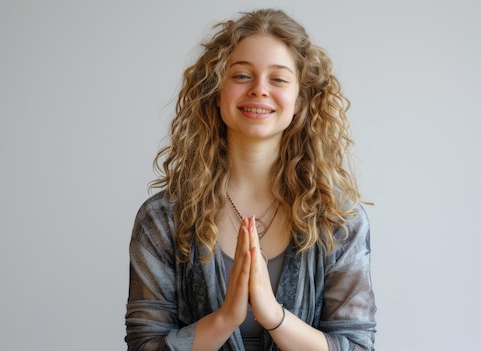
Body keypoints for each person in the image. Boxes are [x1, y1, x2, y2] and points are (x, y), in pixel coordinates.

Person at [125, 8, 377, 351]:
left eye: (278, 78)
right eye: (242, 76)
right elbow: (144, 346)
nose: (259, 90)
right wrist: (226, 317)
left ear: (300, 101)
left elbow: (358, 346)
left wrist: (273, 315)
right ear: (216, 92)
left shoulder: (340, 221)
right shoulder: (162, 220)